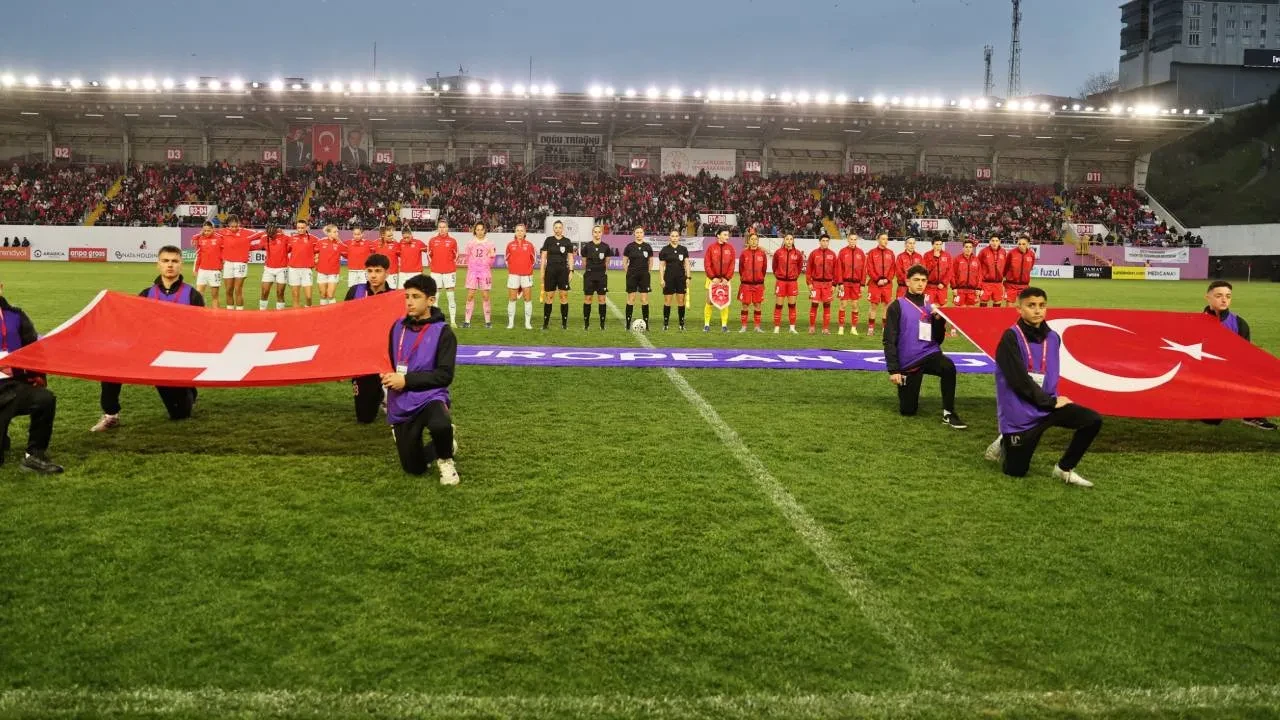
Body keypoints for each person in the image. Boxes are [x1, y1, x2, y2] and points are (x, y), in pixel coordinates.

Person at [985, 286, 1102, 487]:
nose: (1037, 310)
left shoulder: (1054, 337)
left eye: (1042, 305)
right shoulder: (1010, 338)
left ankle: (1064, 468)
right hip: (1021, 417)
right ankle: (1005, 440)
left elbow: (1049, 373)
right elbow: (1018, 381)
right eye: (1031, 306)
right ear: (1019, 309)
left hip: (1047, 407)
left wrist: (1053, 402)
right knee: (1016, 472)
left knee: (1092, 420)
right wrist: (1049, 402)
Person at [92, 246, 204, 433]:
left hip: (175, 359)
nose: (170, 265)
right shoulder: (146, 295)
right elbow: (135, 326)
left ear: (181, 266)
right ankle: (111, 414)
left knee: (180, 414)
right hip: (148, 353)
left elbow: (200, 331)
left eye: (174, 261)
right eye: (165, 261)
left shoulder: (193, 295)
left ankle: (189, 391)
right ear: (158, 265)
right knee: (111, 363)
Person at [383, 274, 459, 484]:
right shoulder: (397, 327)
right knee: (414, 468)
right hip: (401, 399)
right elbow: (390, 360)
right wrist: (387, 374)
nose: (409, 301)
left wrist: (406, 380)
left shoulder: (443, 332)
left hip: (430, 396)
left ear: (431, 300)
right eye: (406, 296)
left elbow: (444, 375)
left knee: (440, 424)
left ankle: (446, 460)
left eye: (416, 296)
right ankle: (445, 444)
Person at [883, 264, 967, 429]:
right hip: (908, 362)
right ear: (907, 282)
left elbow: (938, 339)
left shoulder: (931, 307)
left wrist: (938, 320)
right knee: (908, 411)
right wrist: (894, 370)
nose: (920, 284)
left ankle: (949, 413)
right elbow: (888, 340)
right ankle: (906, 387)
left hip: (929, 354)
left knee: (948, 367)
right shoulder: (897, 306)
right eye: (916, 280)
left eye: (923, 280)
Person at [0, 281, 63, 473]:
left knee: (44, 399)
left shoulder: (16, 316)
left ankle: (34, 455)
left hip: (13, 386)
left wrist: (37, 375)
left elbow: (34, 348)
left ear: (1, 287)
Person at [1203, 280, 1277, 430]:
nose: (1224, 300)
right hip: (1204, 372)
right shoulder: (1195, 322)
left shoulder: (1238, 323)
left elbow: (1245, 356)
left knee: (1256, 372)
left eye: (1228, 296)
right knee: (1211, 419)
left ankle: (1252, 414)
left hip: (1230, 370)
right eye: (1219, 295)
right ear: (1208, 297)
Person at [346, 253, 394, 423]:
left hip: (387, 357)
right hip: (362, 357)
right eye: (370, 271)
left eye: (378, 271)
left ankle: (387, 391)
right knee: (364, 417)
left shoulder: (395, 296)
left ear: (387, 273)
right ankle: (379, 394)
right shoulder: (355, 291)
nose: (373, 275)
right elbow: (343, 321)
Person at [540, 220, 575, 330]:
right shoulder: (549, 240)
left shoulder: (567, 241)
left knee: (563, 296)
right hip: (550, 271)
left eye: (560, 227)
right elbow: (543, 257)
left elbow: (570, 257)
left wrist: (572, 271)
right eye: (556, 227)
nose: (558, 229)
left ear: (562, 229)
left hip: (563, 272)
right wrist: (542, 272)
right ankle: (545, 324)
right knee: (549, 297)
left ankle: (564, 324)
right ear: (553, 229)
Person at [217, 215, 256, 310]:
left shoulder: (246, 232)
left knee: (238, 290)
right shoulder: (223, 232)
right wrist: (195, 237)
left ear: (239, 224)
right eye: (232, 226)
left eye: (236, 226)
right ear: (228, 225)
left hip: (241, 264)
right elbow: (209, 233)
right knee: (229, 290)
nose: (234, 228)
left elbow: (260, 234)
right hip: (228, 263)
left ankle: (239, 313)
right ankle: (230, 312)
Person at [462, 222, 496, 328]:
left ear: (485, 230)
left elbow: (492, 259)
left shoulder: (490, 244)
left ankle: (488, 322)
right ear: (475, 231)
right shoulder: (470, 243)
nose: (480, 231)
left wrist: (485, 264)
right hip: (472, 272)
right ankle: (467, 321)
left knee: (485, 296)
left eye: (482, 229)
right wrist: (473, 266)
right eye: (478, 229)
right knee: (470, 295)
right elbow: (467, 257)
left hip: (485, 272)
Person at [504, 223, 536, 330]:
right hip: (513, 275)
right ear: (515, 232)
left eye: (522, 230)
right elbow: (506, 260)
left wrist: (526, 270)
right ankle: (511, 323)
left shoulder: (530, 245)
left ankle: (527, 323)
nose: (519, 232)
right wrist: (514, 269)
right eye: (517, 230)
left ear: (525, 232)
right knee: (512, 299)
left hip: (527, 275)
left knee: (527, 299)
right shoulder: (509, 245)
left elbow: (533, 260)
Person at [703, 229, 736, 332]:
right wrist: (713, 277)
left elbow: (732, 264)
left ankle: (724, 326)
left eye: (728, 235)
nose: (727, 237)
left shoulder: (730, 248)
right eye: (725, 234)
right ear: (718, 235)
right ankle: (706, 325)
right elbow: (707, 264)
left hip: (725, 280)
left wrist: (727, 278)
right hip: (712, 280)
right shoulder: (711, 248)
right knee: (709, 301)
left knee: (724, 302)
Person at [623, 226, 655, 330]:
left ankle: (646, 324)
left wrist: (648, 272)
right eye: (637, 232)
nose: (639, 234)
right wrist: (628, 272)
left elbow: (651, 261)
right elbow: (624, 261)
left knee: (644, 299)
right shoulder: (629, 247)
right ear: (634, 234)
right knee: (631, 298)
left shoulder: (647, 247)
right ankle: (628, 324)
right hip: (632, 275)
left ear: (643, 234)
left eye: (641, 232)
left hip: (644, 276)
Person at [659, 228, 691, 330]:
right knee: (667, 301)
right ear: (669, 237)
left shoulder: (683, 249)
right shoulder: (665, 250)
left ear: (679, 237)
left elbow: (687, 264)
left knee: (681, 301)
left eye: (676, 236)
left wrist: (688, 277)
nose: (674, 238)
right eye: (672, 236)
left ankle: (681, 324)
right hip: (668, 278)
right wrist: (661, 279)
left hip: (681, 278)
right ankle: (665, 324)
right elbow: (661, 266)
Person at [772, 232, 804, 334]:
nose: (789, 241)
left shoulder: (798, 253)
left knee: (792, 305)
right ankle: (777, 327)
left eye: (791, 239)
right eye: (787, 239)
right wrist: (778, 275)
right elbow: (774, 266)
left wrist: (794, 276)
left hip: (792, 283)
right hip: (781, 282)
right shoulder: (778, 252)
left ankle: (792, 328)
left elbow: (799, 268)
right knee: (778, 305)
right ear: (784, 240)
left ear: (793, 241)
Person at [806, 234, 838, 334]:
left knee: (827, 306)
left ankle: (825, 328)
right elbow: (808, 270)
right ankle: (811, 327)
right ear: (819, 242)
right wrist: (809, 283)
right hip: (816, 283)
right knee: (814, 304)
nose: (825, 242)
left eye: (826, 241)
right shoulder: (814, 254)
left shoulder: (832, 254)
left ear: (829, 242)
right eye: (823, 240)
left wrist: (834, 284)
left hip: (828, 284)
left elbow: (836, 271)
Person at [737, 230, 768, 333]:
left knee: (757, 305)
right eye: (752, 239)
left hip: (758, 284)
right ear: (749, 241)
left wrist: (759, 278)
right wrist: (746, 277)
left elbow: (764, 269)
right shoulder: (744, 253)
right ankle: (744, 326)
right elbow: (741, 269)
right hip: (746, 284)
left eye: (756, 239)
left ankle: (757, 326)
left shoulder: (762, 254)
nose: (754, 241)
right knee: (745, 305)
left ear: (758, 241)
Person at [427, 220, 458, 322]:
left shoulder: (453, 241)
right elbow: (429, 255)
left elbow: (456, 256)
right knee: (435, 296)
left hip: (449, 272)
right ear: (438, 228)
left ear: (447, 228)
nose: (442, 229)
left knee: (451, 296)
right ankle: (435, 319)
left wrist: (449, 266)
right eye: (440, 227)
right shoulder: (432, 240)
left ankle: (453, 321)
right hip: (436, 272)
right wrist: (434, 266)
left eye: (444, 227)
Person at [865, 233, 896, 336]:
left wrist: (887, 279)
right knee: (873, 306)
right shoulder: (872, 253)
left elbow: (892, 269)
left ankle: (884, 328)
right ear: (878, 240)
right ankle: (870, 328)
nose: (885, 241)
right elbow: (869, 268)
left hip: (887, 285)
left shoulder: (891, 253)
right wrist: (877, 279)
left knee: (887, 307)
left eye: (887, 239)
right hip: (875, 284)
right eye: (883, 239)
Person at [582, 225, 611, 330]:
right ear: (592, 233)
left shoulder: (606, 247)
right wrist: (590, 270)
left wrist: (602, 271)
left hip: (601, 276)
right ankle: (586, 324)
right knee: (588, 299)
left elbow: (607, 261)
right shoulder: (587, 246)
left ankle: (602, 325)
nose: (597, 234)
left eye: (599, 232)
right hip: (589, 275)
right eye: (595, 232)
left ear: (601, 233)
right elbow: (584, 262)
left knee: (602, 299)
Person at [255, 223, 290, 310]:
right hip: (268, 269)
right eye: (269, 234)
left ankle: (280, 315)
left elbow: (293, 247)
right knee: (264, 292)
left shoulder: (285, 237)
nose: (271, 236)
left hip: (282, 269)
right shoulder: (264, 238)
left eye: (272, 234)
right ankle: (262, 312)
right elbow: (258, 246)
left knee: (280, 292)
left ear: (276, 231)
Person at [836, 233, 865, 336]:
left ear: (856, 240)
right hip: (845, 283)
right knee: (843, 304)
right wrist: (840, 282)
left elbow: (863, 270)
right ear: (848, 240)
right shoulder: (843, 252)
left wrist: (862, 284)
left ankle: (853, 328)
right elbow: (839, 268)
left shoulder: (860, 253)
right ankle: (841, 328)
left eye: (855, 239)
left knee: (855, 305)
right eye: (851, 239)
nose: (853, 241)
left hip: (856, 284)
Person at [287, 220, 318, 308]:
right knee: (295, 296)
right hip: (293, 270)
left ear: (307, 227)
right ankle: (297, 317)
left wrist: (316, 260)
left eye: (302, 228)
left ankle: (308, 308)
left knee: (308, 297)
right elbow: (285, 251)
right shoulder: (292, 238)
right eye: (298, 228)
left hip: (306, 270)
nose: (300, 230)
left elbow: (319, 251)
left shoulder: (313, 239)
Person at [191, 221, 222, 309]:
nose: (206, 232)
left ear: (213, 229)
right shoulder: (200, 239)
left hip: (215, 271)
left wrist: (221, 265)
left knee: (215, 296)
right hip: (202, 270)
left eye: (209, 230)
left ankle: (216, 316)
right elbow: (199, 256)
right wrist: (196, 269)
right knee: (199, 295)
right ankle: (200, 315)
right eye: (205, 230)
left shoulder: (220, 238)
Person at [1003, 234, 1037, 305]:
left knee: (1025, 306)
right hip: (1011, 285)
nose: (1021, 246)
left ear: (1028, 244)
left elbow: (1030, 267)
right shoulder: (1011, 253)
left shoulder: (1031, 254)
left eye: (1023, 244)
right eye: (1019, 244)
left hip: (1024, 285)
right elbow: (1006, 267)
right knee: (1009, 305)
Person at [315, 223, 344, 306]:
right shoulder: (320, 242)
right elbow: (315, 253)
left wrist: (340, 241)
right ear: (329, 233)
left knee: (330, 295)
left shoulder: (339, 244)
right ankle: (324, 314)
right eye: (335, 232)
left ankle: (333, 314)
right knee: (323, 295)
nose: (337, 233)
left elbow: (347, 252)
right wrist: (316, 261)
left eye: (337, 232)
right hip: (321, 272)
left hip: (333, 272)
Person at [977, 235, 1008, 308]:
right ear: (989, 242)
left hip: (998, 284)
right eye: (993, 241)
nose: (994, 243)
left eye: (996, 241)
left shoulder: (1003, 252)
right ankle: (983, 319)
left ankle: (995, 319)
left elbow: (1005, 266)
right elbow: (978, 267)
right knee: (983, 302)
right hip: (986, 283)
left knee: (997, 302)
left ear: (1000, 242)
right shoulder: (983, 251)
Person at [399, 228, 429, 300]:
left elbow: (429, 250)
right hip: (403, 272)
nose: (406, 239)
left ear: (411, 235)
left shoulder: (419, 243)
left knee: (416, 293)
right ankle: (403, 310)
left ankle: (418, 310)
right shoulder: (401, 243)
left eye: (407, 237)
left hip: (416, 272)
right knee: (401, 293)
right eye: (404, 238)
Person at [922, 238, 952, 307]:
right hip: (929, 287)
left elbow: (950, 271)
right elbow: (924, 271)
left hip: (942, 287)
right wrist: (935, 258)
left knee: (943, 307)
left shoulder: (947, 255)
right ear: (932, 245)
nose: (938, 246)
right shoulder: (927, 255)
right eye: (936, 244)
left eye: (940, 244)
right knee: (928, 307)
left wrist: (944, 283)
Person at [951, 239, 982, 307]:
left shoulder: (976, 260)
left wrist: (979, 288)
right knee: (958, 312)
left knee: (970, 313)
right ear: (963, 248)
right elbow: (952, 274)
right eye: (966, 247)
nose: (968, 249)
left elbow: (979, 275)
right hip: (960, 290)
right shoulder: (957, 259)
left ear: (972, 248)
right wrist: (954, 287)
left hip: (972, 291)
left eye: (970, 247)